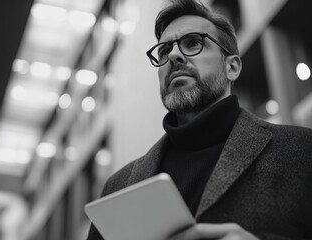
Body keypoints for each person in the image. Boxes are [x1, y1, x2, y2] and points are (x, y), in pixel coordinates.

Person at [86, 0, 312, 239]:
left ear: (232, 67)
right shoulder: (118, 187)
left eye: (193, 43)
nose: (173, 56)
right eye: (164, 51)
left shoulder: (302, 151)